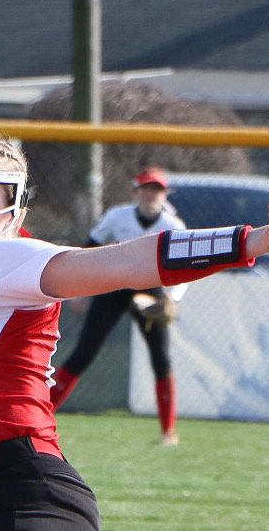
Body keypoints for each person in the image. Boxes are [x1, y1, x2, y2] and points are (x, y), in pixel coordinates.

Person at [0, 0, 269, 531]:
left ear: (11, 212)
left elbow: (127, 263)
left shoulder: (2, 260)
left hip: (23, 493)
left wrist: (261, 239)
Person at [49, 166, 188, 446]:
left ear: (165, 194)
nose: (151, 194)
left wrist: (172, 297)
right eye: (146, 188)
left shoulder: (174, 226)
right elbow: (89, 250)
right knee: (83, 354)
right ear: (136, 191)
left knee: (161, 360)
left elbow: (184, 268)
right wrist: (81, 290)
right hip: (112, 287)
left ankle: (168, 432)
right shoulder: (117, 216)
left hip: (150, 293)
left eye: (156, 189)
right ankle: (41, 416)